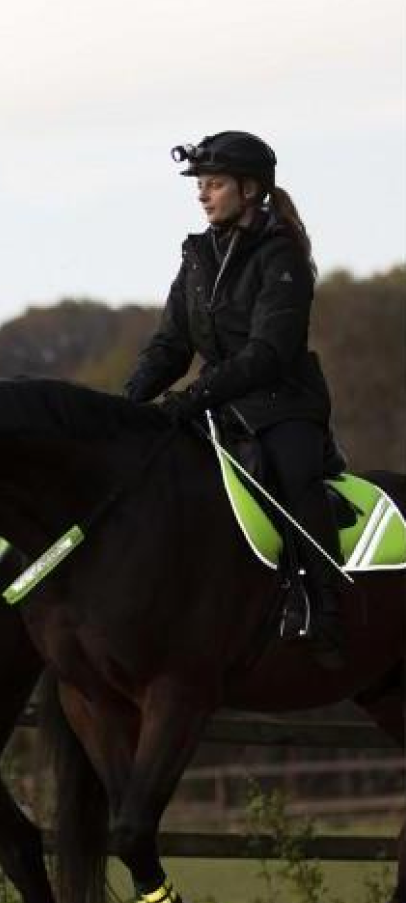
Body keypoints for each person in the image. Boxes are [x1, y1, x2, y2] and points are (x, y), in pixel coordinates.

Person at [122, 132, 345, 667]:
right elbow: (170, 345)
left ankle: (326, 603)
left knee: (291, 476)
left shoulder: (282, 255)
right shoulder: (197, 255)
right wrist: (124, 405)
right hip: (218, 405)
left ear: (250, 190)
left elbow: (269, 352)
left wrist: (194, 395)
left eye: (214, 184)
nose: (203, 195)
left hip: (282, 404)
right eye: (200, 184)